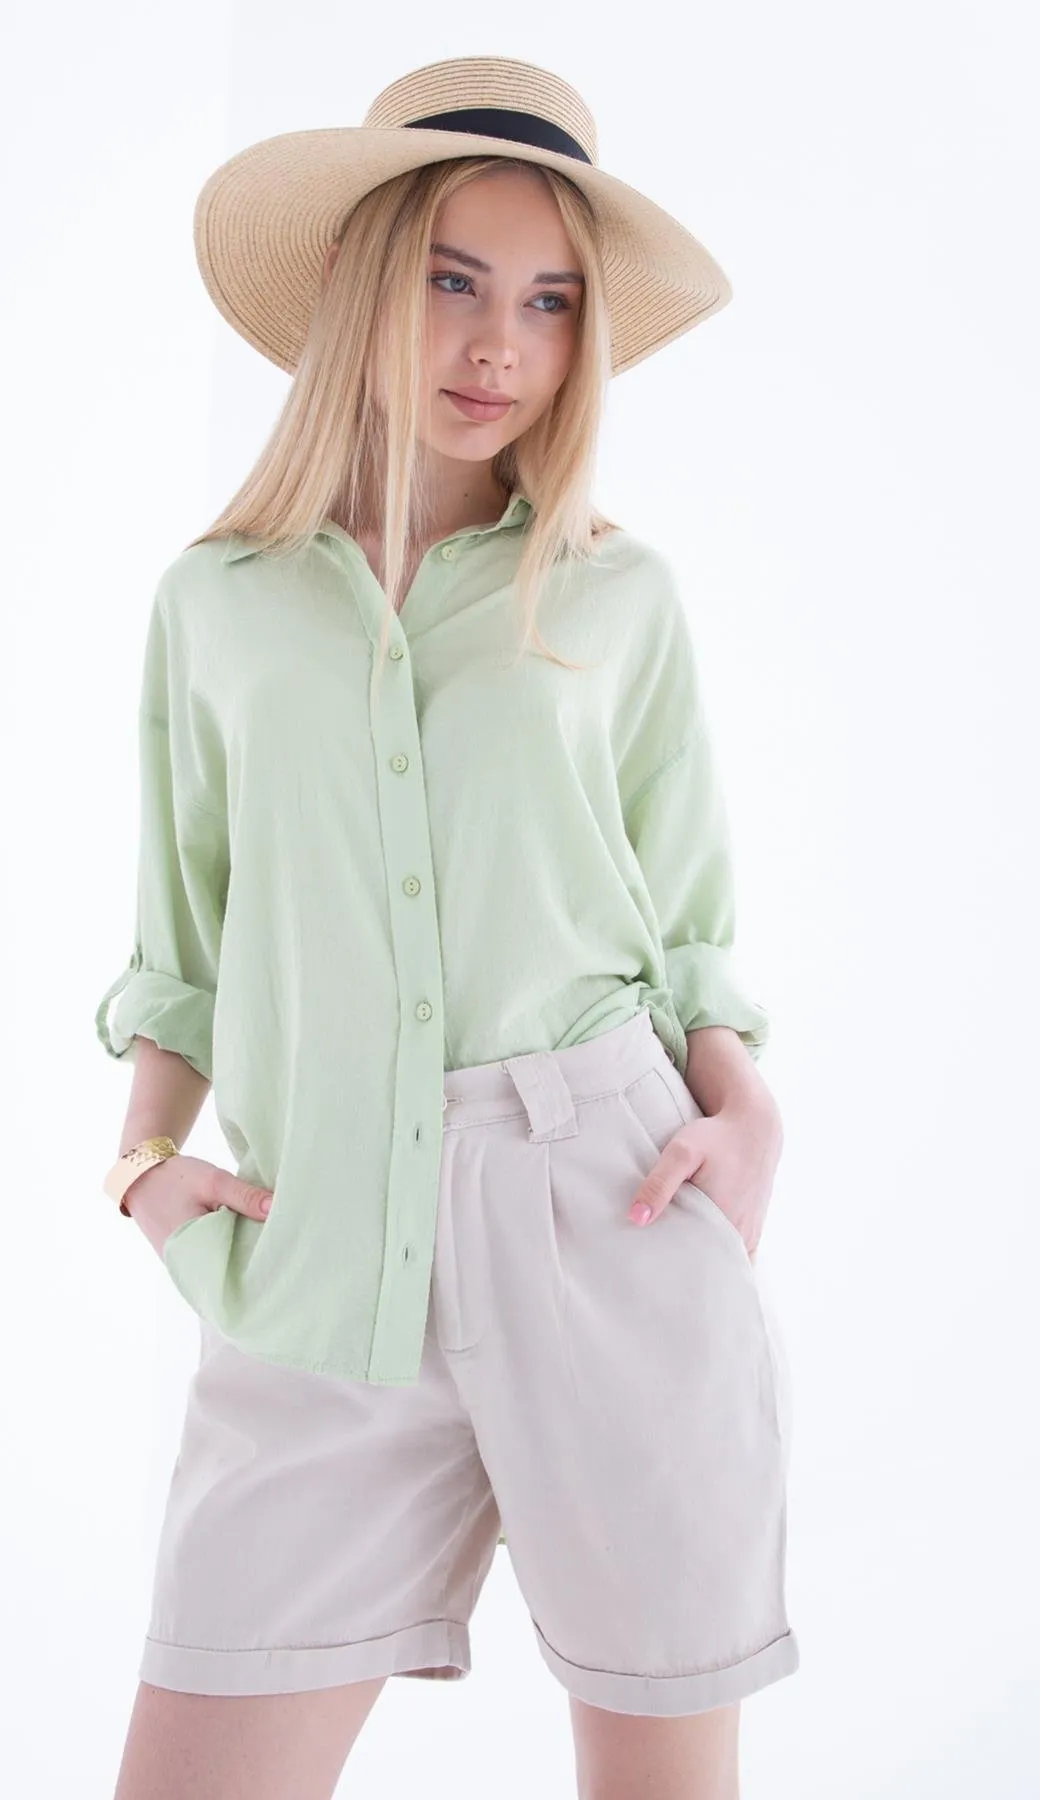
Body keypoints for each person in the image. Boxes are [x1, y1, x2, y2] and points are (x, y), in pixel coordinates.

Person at [97, 54, 799, 1800]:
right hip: (318, 1240)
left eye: (551, 303)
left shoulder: (619, 594)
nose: (501, 348)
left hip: (607, 1203)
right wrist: (144, 1166)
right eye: (455, 281)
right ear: (358, 279)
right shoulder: (219, 602)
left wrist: (746, 1111)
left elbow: (687, 916)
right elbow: (184, 932)